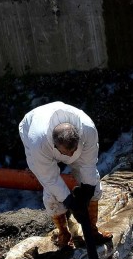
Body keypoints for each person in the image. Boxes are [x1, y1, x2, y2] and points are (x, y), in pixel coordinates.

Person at [18, 101, 111, 248]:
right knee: (52, 193)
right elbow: (50, 179)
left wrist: (87, 191)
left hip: (71, 140)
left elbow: (88, 165)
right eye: (65, 153)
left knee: (94, 184)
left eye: (73, 150)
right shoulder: (38, 143)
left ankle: (92, 230)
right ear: (55, 146)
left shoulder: (88, 130)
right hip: (32, 126)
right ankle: (63, 234)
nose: (70, 155)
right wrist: (71, 203)